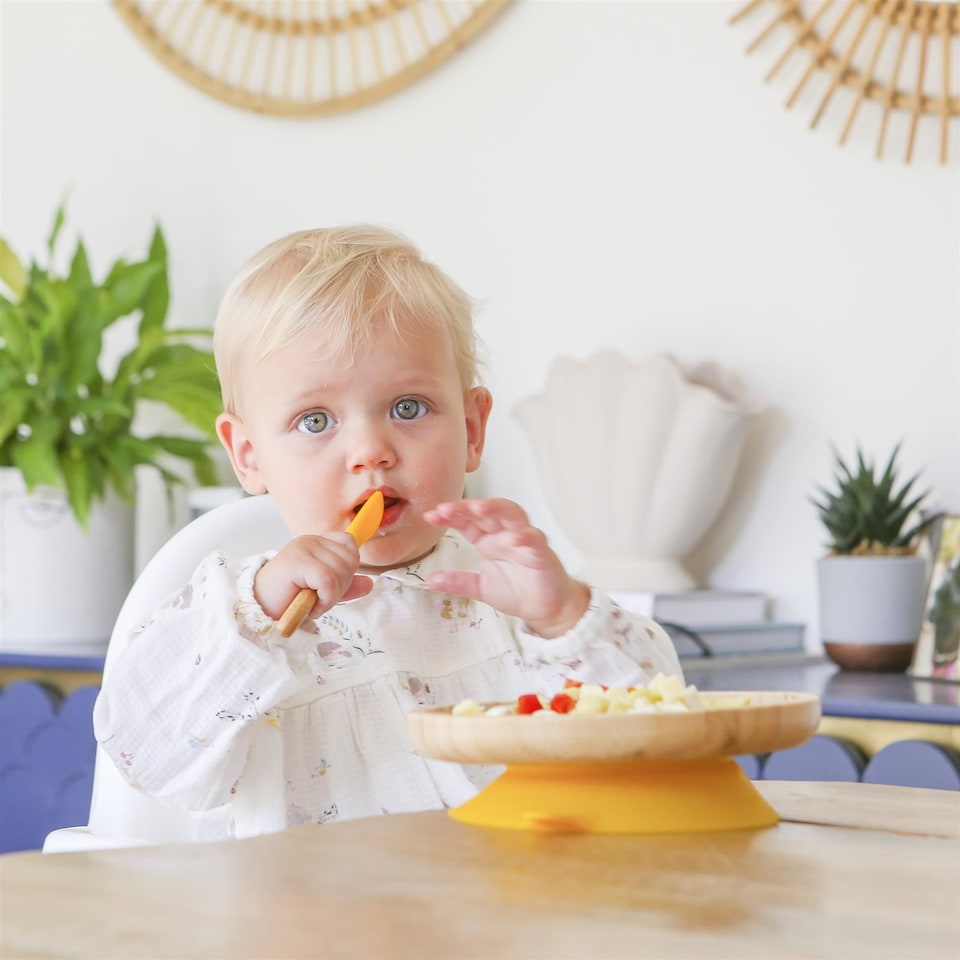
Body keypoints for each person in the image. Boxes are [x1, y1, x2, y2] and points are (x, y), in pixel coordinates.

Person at [93, 225, 683, 841]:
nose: (371, 450)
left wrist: (564, 619)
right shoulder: (238, 619)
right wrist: (257, 617)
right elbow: (145, 758)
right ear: (248, 455)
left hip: (514, 898)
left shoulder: (514, 601)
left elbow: (659, 737)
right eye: (315, 420)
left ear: (472, 429)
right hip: (315, 903)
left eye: (408, 408)